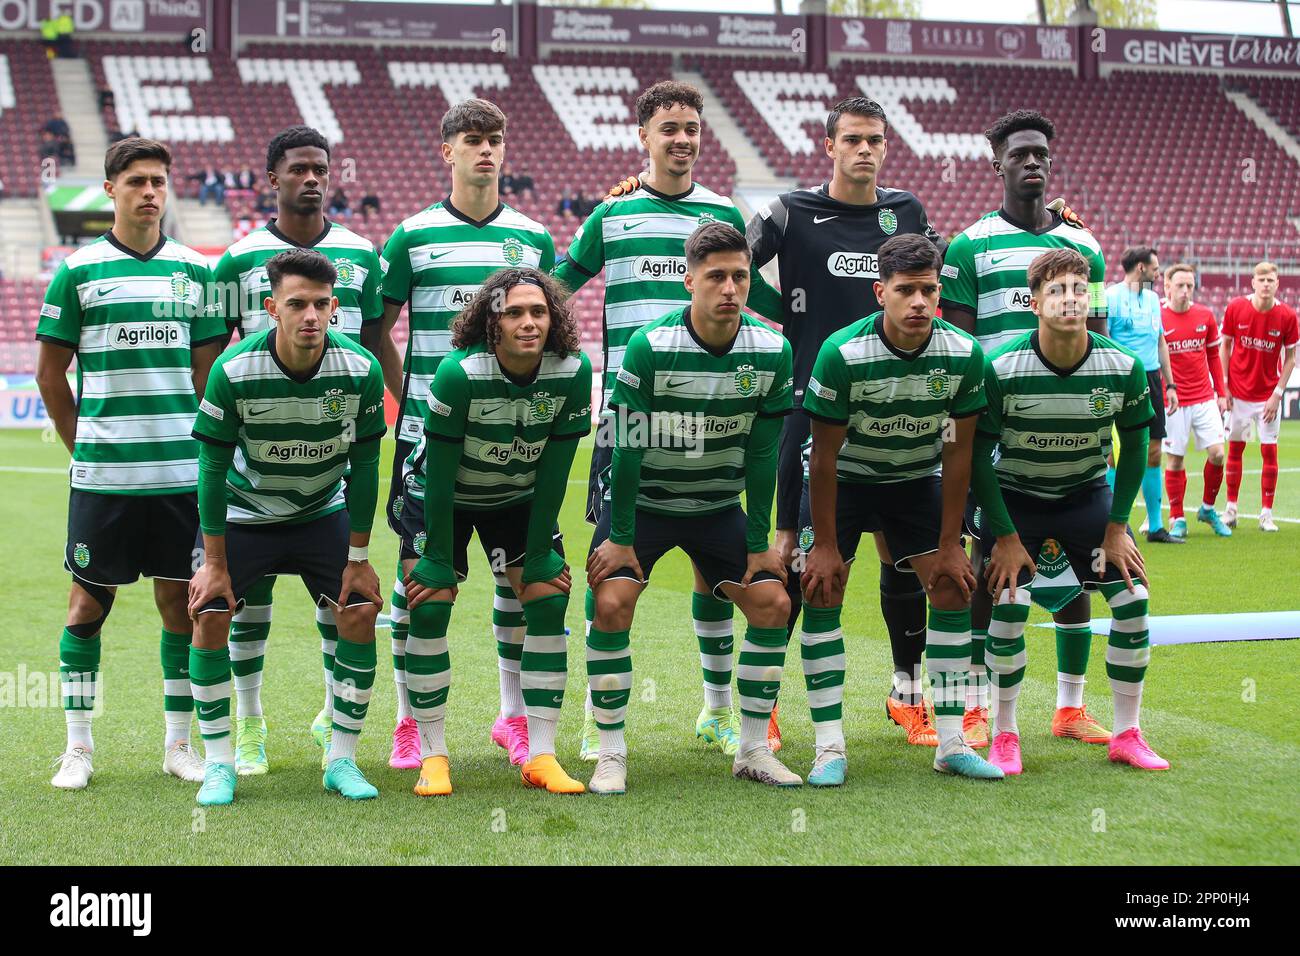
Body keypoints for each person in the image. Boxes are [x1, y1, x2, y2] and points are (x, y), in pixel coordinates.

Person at [552, 80, 783, 762]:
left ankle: (717, 711)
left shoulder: (722, 213)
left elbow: (761, 296)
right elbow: (558, 286)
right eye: (668, 128)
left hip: (716, 420)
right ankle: (601, 721)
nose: (681, 139)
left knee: (719, 564)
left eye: (691, 128)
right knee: (612, 569)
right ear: (643, 137)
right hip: (634, 421)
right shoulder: (611, 215)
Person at [748, 95, 946, 750]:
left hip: (897, 411)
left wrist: (1052, 221)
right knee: (802, 560)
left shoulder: (907, 212)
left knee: (907, 553)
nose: (865, 150)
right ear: (828, 145)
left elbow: (952, 265)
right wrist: (788, 316)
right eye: (853, 139)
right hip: (812, 407)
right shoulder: (790, 212)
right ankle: (767, 704)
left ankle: (907, 693)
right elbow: (729, 257)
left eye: (875, 140)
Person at [37, 137, 226, 790]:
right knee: (86, 607)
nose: (151, 192)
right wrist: (82, 445)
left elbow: (208, 382)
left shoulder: (196, 272)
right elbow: (51, 374)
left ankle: (178, 745)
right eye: (138, 181)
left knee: (183, 608)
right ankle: (78, 749)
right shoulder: (80, 270)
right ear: (112, 190)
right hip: (105, 480)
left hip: (180, 478)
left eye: (160, 181)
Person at [584, 222, 794, 793]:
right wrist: (621, 536)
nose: (730, 288)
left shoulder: (773, 350)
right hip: (645, 503)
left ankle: (751, 749)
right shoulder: (649, 346)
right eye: (716, 277)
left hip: (715, 504)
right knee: (611, 601)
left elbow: (762, 455)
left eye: (740, 277)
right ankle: (610, 753)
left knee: (774, 602)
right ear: (689, 280)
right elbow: (625, 445)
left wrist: (757, 543)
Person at [379, 98, 556, 771]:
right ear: (446, 150)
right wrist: (413, 400)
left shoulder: (533, 238)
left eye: (495, 140)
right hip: (432, 441)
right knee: (420, 579)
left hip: (512, 439)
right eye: (472, 140)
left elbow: (546, 326)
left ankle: (512, 718)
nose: (486, 151)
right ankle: (407, 723)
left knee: (518, 579)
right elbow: (379, 329)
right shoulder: (412, 235)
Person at [210, 125, 386, 776]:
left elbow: (368, 350)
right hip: (250, 478)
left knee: (339, 599)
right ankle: (249, 725)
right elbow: (213, 356)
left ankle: (330, 720)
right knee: (247, 606)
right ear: (272, 180)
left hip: (327, 476)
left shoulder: (363, 255)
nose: (311, 178)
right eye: (298, 169)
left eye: (321, 168)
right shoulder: (236, 261)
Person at [798, 234, 1002, 783]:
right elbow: (822, 458)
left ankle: (953, 742)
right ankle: (829, 747)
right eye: (905, 290)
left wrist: (950, 543)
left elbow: (959, 454)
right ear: (879, 292)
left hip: (914, 479)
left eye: (928, 290)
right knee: (821, 587)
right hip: (843, 480)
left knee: (955, 587)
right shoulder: (842, 352)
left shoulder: (964, 353)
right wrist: (822, 545)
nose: (918, 302)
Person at [941, 110, 1112, 749]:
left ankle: (1070, 708)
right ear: (998, 164)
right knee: (987, 574)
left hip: (1071, 446)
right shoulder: (969, 246)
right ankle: (977, 708)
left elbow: (1098, 343)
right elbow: (957, 344)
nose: (1032, 162)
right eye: (1019, 154)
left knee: (1077, 574)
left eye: (1041, 152)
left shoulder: (1084, 248)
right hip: (995, 446)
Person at [972, 247, 1169, 774]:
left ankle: (1128, 732)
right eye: (1057, 290)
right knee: (1009, 602)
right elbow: (977, 460)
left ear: (1092, 298)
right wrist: (1005, 538)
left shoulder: (1121, 366)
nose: (1070, 299)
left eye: (1079, 289)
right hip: (1018, 503)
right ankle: (1005, 734)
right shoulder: (1002, 368)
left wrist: (1117, 527)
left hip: (1085, 500)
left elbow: (1134, 446)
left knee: (1132, 598)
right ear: (1034, 302)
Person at [398, 269, 591, 796]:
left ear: (554, 318)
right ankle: (433, 757)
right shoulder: (459, 374)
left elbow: (555, 470)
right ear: (492, 321)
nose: (528, 323)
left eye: (539, 312)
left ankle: (543, 753)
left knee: (548, 598)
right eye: (514, 313)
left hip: (516, 496)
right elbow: (437, 473)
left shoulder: (573, 370)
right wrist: (437, 554)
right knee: (431, 602)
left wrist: (537, 555)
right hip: (442, 497)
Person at [1106, 246, 1181, 542]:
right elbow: (1103, 339)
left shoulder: (1152, 299)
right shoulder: (1111, 297)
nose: (1158, 273)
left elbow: (1161, 341)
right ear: (1140, 268)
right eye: (1155, 268)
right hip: (1121, 379)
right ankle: (1110, 524)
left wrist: (1170, 384)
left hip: (1151, 380)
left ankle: (1156, 525)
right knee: (1113, 456)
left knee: (1153, 452)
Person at [1221, 261, 1298, 532]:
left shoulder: (1287, 316)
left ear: (1278, 284)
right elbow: (1225, 346)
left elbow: (1290, 359)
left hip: (1267, 396)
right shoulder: (1235, 308)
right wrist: (1225, 386)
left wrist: (1278, 394)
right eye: (1261, 279)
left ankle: (1266, 514)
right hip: (1239, 394)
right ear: (1253, 282)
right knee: (1236, 449)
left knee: (1269, 451)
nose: (1266, 284)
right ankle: (1231, 509)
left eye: (1271, 280)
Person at [1160, 262, 1231, 537]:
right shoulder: (1159, 317)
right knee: (1175, 461)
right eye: (1180, 285)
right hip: (1175, 400)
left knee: (1218, 454)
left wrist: (1221, 393)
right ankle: (1177, 518)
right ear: (1167, 286)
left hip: (1204, 397)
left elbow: (1213, 355)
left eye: (1190, 285)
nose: (1186, 291)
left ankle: (1207, 508)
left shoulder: (1205, 315)